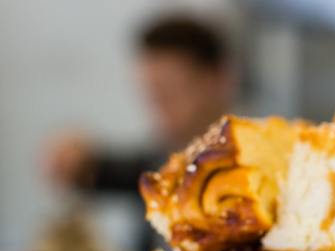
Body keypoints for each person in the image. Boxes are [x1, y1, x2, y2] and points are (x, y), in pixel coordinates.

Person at [45, 14, 235, 195]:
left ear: (216, 79)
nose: (159, 111)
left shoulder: (250, 172)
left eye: (168, 92)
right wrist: (86, 165)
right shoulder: (169, 161)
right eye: (151, 96)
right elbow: (141, 172)